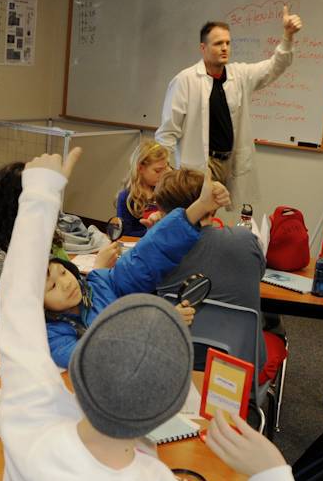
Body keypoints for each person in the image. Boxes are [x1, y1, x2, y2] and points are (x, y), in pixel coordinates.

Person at [0, 148, 321, 481]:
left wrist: (41, 193)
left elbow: (16, 300)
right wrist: (273, 474)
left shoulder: (28, 419)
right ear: (175, 405)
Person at [45, 167, 229, 368]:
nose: (64, 283)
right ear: (38, 304)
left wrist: (201, 206)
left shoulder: (102, 284)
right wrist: (160, 324)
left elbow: (148, 255)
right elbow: (95, 357)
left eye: (63, 272)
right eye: (52, 286)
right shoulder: (50, 334)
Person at [155, 6, 303, 204]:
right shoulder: (185, 80)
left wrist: (287, 36)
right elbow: (167, 131)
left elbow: (275, 66)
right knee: (194, 215)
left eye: (227, 43)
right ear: (203, 48)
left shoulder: (239, 75)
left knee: (212, 214)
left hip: (227, 162)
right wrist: (165, 173)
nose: (225, 48)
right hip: (200, 164)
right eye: (218, 43)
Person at [155, 168, 287, 384]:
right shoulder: (244, 241)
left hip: (171, 364)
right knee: (275, 326)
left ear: (163, 212)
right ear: (211, 205)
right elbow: (257, 273)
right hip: (238, 373)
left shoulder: (158, 250)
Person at [115, 138, 171, 237]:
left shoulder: (165, 190)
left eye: (165, 168)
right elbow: (125, 233)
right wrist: (153, 231)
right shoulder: (126, 197)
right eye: (158, 171)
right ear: (140, 168)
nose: (162, 174)